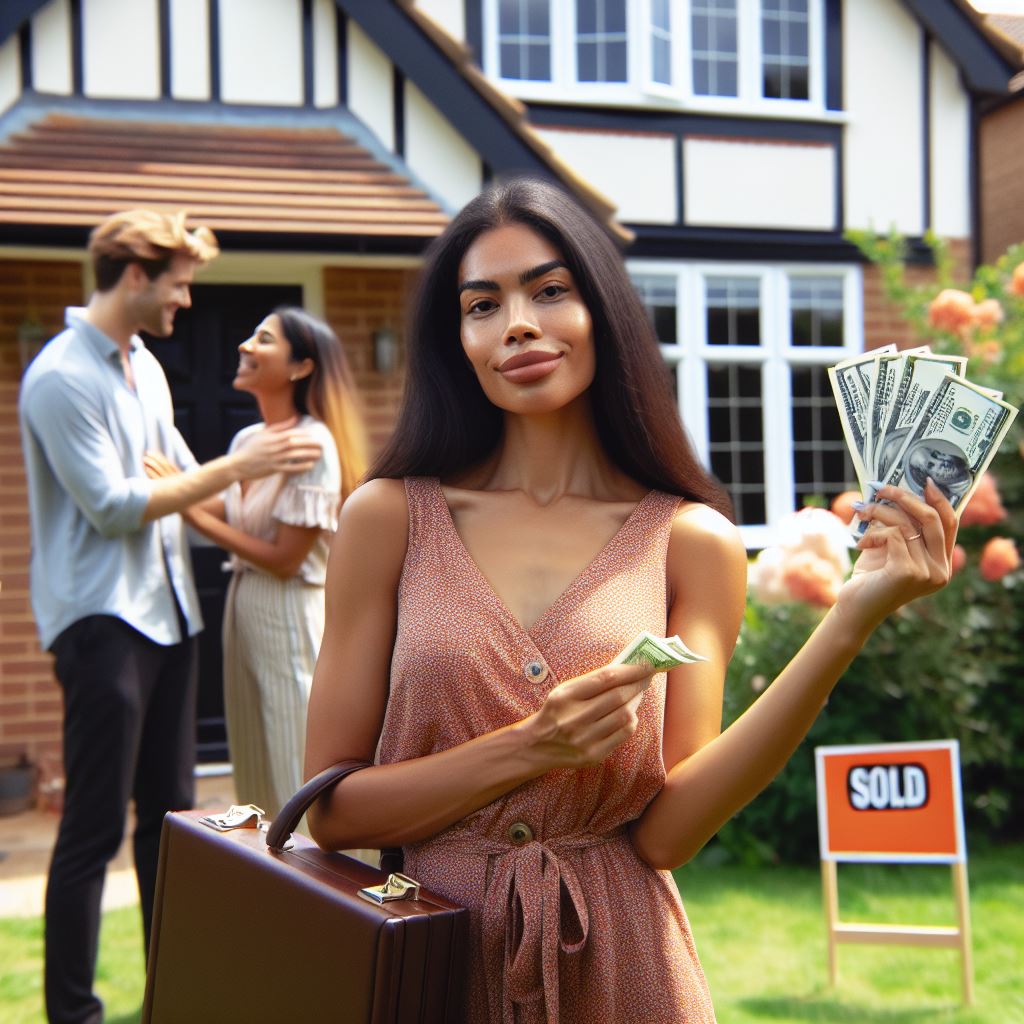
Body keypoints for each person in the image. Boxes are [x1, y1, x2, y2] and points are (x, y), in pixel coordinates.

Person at [302, 178, 958, 1023]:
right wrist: (534, 746)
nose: (518, 325)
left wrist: (851, 617)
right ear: (457, 339)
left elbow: (668, 834)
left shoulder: (690, 539)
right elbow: (329, 809)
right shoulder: (388, 518)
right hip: (429, 950)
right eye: (482, 304)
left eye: (549, 291)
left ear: (601, 312)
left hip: (624, 964)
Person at [18, 209, 322, 1024]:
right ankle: (73, 1013)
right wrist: (239, 461)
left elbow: (185, 475)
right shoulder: (59, 379)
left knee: (169, 822)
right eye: (181, 284)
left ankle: (171, 997)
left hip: (170, 617)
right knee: (93, 829)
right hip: (100, 623)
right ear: (137, 277)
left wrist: (294, 466)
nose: (187, 302)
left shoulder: (146, 368)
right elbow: (118, 508)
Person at [144, 307, 368, 818]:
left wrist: (185, 510)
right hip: (242, 609)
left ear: (300, 367)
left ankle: (319, 888)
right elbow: (231, 513)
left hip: (290, 610)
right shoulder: (247, 442)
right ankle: (269, 886)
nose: (244, 346)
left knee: (295, 764)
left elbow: (286, 560)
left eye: (263, 339)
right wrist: (172, 486)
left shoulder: (311, 444)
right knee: (254, 762)